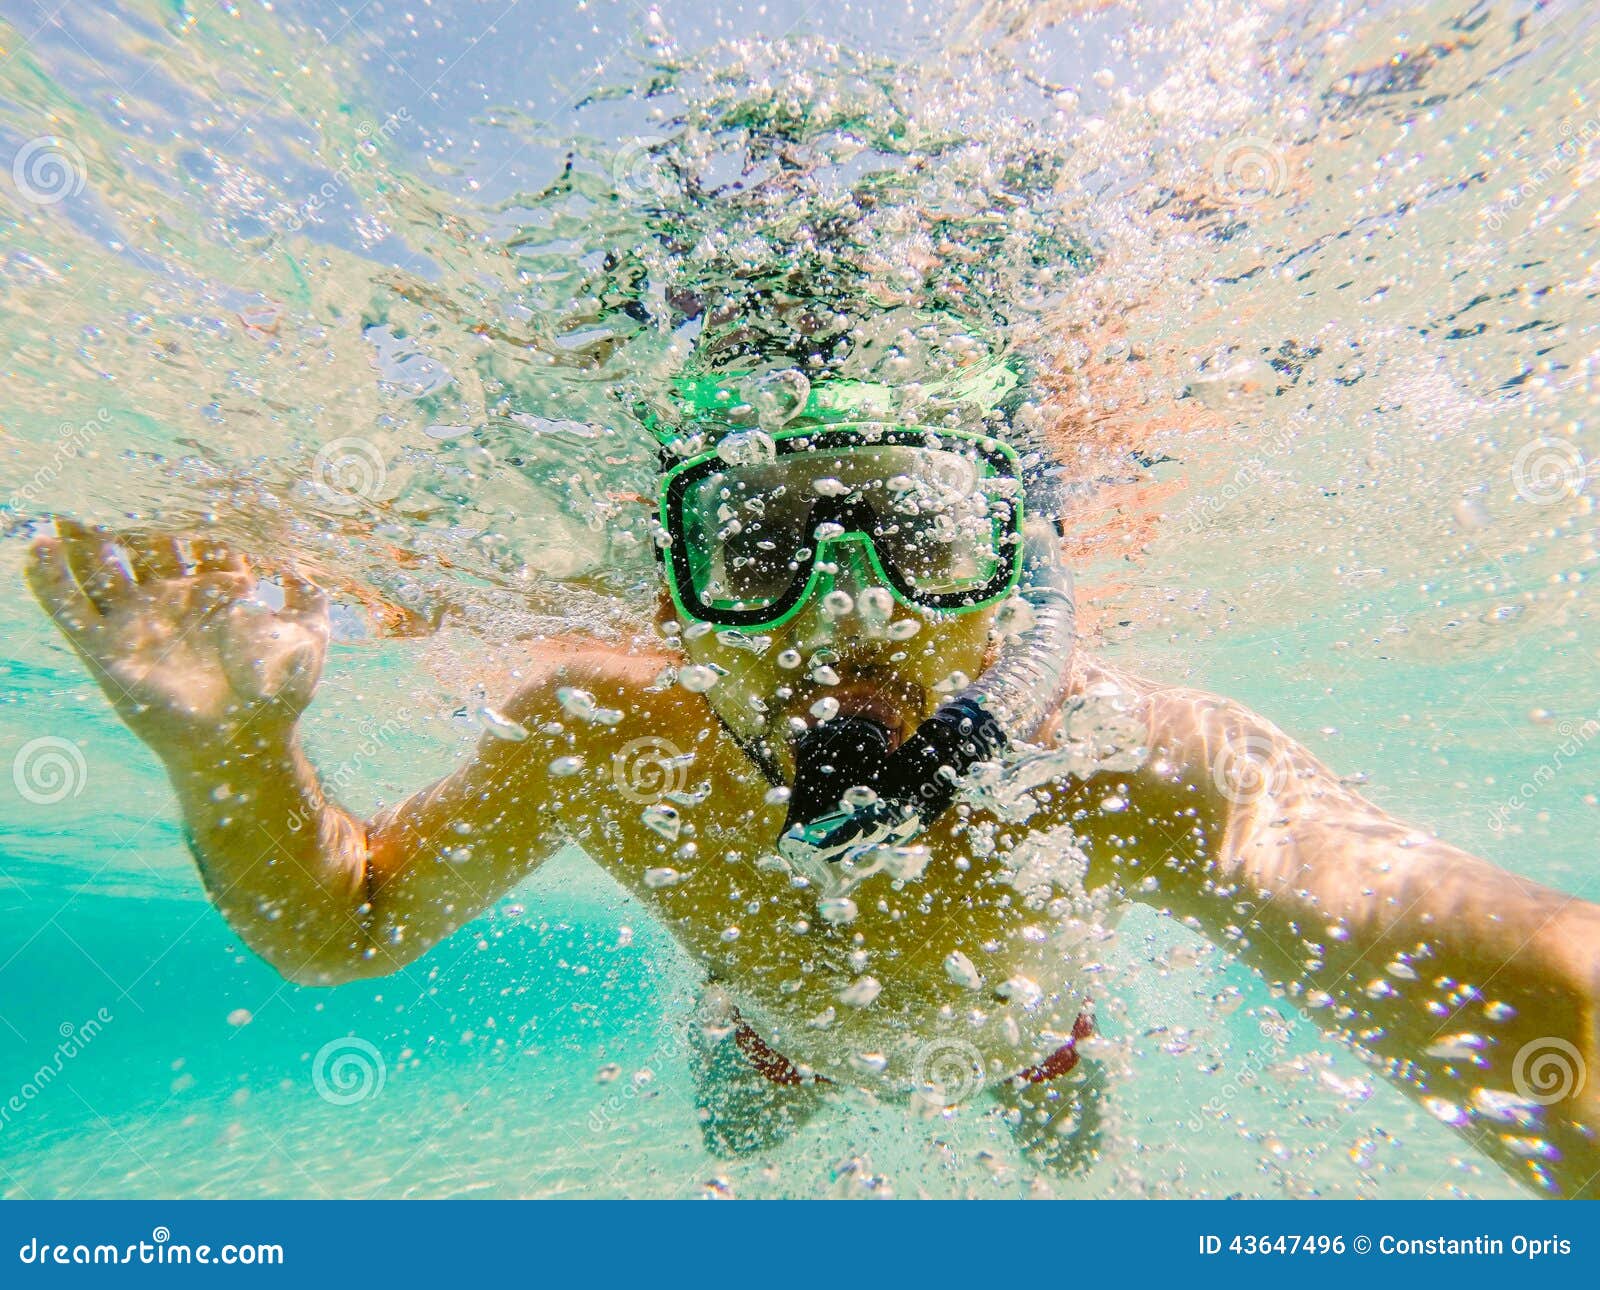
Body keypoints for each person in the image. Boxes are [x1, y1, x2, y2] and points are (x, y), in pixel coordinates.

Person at [25, 350, 1600, 1198]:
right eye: (755, 543)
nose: (843, 610)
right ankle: (758, 1031)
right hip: (767, 1038)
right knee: (744, 1139)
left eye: (918, 534)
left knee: (1064, 1160)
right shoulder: (598, 732)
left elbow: (1541, 994)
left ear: (1012, 582)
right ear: (667, 595)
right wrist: (232, 747)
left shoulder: (1140, 765)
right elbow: (345, 923)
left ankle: (1045, 1051)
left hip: (1030, 1042)